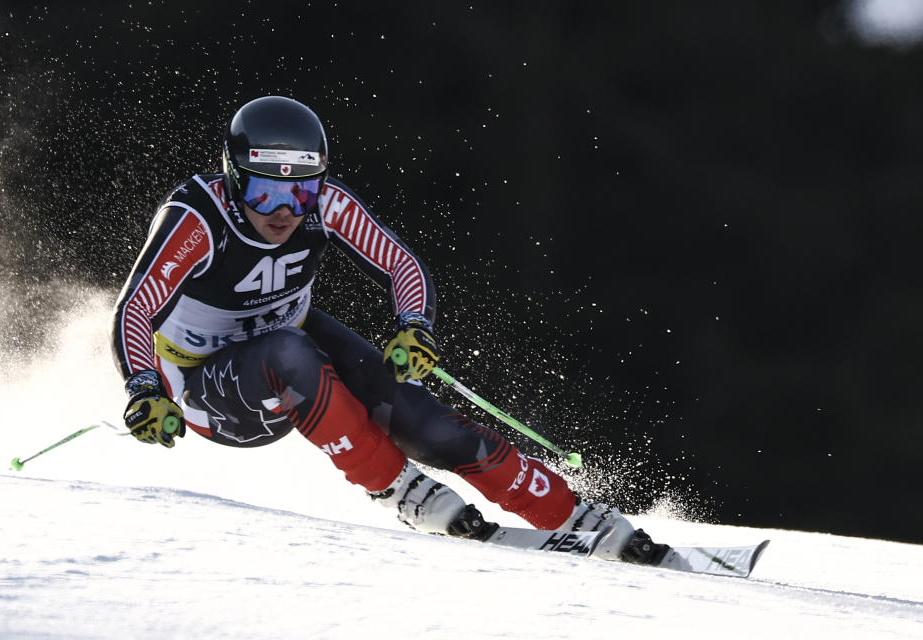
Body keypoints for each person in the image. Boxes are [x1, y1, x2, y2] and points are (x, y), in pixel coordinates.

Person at [111, 95, 667, 564]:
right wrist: (143, 389)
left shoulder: (326, 206)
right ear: (233, 179)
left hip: (292, 344)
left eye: (300, 191)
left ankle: (579, 517)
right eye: (264, 193)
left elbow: (401, 264)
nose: (283, 212)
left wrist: (414, 327)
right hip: (210, 390)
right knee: (289, 352)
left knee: (422, 419)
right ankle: (400, 490)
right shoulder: (197, 221)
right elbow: (134, 309)